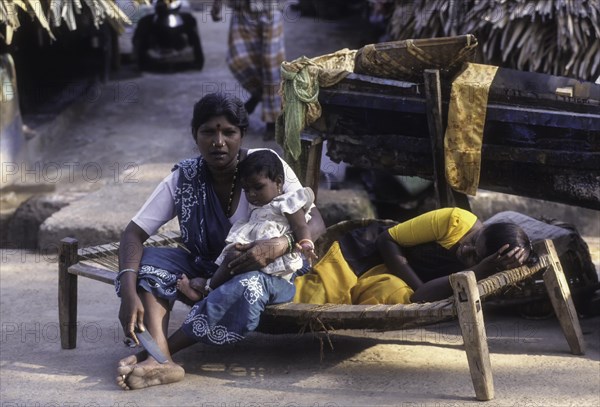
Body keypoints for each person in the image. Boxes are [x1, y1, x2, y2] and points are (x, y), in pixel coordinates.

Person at [115, 92, 326, 390]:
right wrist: (127, 292)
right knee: (145, 264)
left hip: (262, 272)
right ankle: (161, 363)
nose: (218, 142)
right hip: (208, 266)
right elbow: (133, 234)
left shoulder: (265, 166)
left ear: (241, 135)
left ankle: (157, 356)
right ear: (194, 135)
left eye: (229, 132)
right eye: (208, 132)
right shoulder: (183, 179)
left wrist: (283, 245)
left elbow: (316, 221)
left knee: (247, 286)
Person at [293, 207, 536, 305]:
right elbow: (386, 239)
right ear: (481, 229)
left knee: (392, 296)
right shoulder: (455, 220)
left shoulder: (485, 271)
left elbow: (420, 295)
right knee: (310, 298)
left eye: (474, 257)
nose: (466, 250)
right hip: (362, 254)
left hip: (390, 275)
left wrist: (479, 270)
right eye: (473, 241)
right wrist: (420, 289)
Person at [177, 149, 318, 302]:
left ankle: (208, 288)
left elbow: (300, 226)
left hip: (276, 259)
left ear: (278, 182)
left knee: (236, 261)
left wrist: (306, 243)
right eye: (246, 190)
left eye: (258, 187)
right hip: (254, 254)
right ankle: (208, 291)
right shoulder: (256, 208)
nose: (251, 194)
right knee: (232, 258)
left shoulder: (288, 201)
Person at [211, 0, 285, 140]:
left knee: (270, 66)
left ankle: (272, 120)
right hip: (242, 8)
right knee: (238, 59)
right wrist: (217, 4)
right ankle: (259, 94)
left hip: (270, 7)